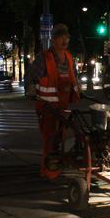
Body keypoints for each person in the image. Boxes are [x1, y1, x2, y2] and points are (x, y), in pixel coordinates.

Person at [29, 23, 80, 182]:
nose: (65, 40)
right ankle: (48, 170)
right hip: (47, 107)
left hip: (63, 106)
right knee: (49, 138)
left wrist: (78, 91)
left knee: (60, 137)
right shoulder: (44, 58)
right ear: (53, 40)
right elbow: (31, 77)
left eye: (67, 37)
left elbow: (74, 80)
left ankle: (56, 165)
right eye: (61, 37)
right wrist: (31, 90)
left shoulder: (69, 58)